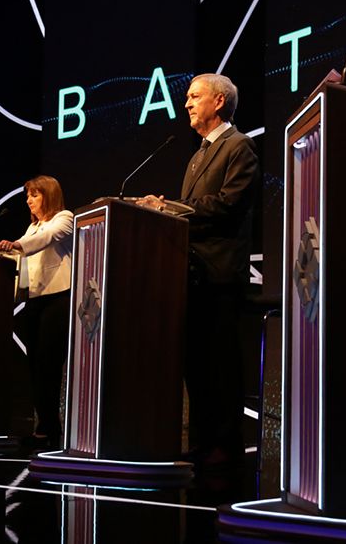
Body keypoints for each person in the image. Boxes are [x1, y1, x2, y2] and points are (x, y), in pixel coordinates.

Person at [140, 73, 260, 469]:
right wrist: (165, 206)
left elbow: (228, 205)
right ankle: (204, 441)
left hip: (220, 275)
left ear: (219, 101)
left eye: (194, 96)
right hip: (191, 276)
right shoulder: (196, 155)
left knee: (221, 365)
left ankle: (226, 446)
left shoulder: (238, 146)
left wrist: (172, 208)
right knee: (196, 364)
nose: (187, 103)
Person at [0, 176, 74, 449]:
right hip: (34, 301)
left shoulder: (63, 218)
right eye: (27, 196)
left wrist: (16, 245)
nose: (29, 200)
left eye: (34, 195)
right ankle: (46, 426)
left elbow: (48, 238)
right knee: (36, 368)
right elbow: (22, 251)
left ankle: (49, 429)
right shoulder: (32, 228)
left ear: (49, 195)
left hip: (58, 298)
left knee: (49, 367)